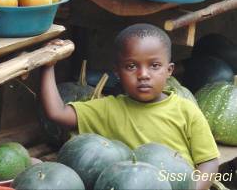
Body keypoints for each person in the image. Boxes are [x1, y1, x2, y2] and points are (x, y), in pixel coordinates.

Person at [40, 23, 219, 190]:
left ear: (169, 70)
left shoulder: (186, 110)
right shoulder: (108, 109)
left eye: (155, 66)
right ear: (117, 72)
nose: (143, 75)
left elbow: (209, 162)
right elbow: (57, 113)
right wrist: (47, 66)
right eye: (132, 66)